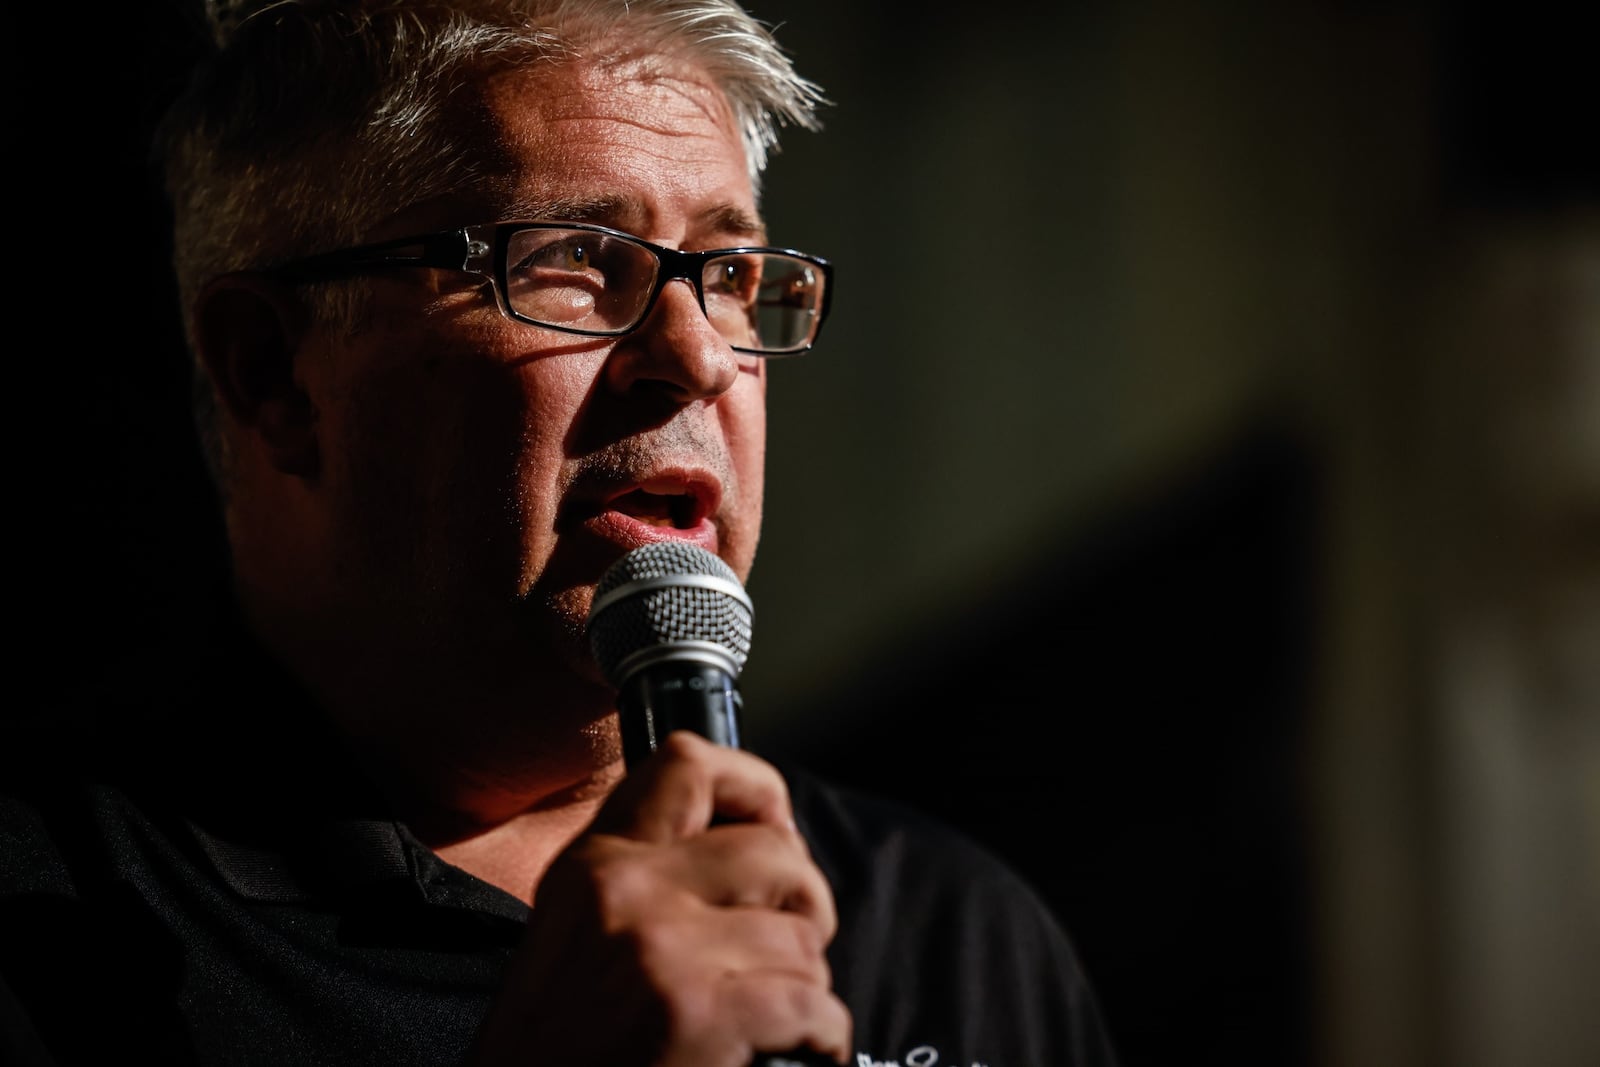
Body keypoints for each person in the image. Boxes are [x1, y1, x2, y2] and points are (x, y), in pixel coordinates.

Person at [1, 2, 1120, 1064]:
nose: (698, 358)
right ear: (276, 375)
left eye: (730, 276)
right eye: (570, 260)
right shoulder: (43, 920)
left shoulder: (946, 932)